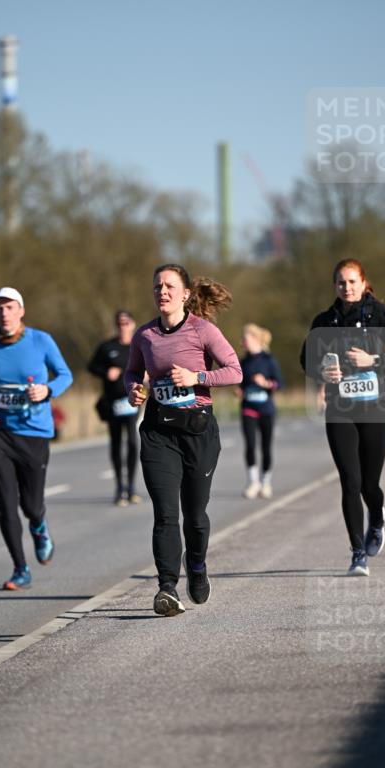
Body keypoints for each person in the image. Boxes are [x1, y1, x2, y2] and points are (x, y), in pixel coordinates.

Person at [125, 264, 242, 616]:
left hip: (198, 431)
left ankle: (197, 565)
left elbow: (236, 370)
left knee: (194, 515)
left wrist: (196, 376)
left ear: (186, 294)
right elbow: (132, 371)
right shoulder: (144, 335)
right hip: (159, 432)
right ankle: (166, 588)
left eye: (169, 286)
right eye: (157, 286)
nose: (162, 291)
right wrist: (132, 388)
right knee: (165, 513)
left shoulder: (202, 330)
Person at [300, 258, 385, 576]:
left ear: (363, 283)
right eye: (341, 282)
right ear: (334, 285)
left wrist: (373, 358)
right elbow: (305, 359)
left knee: (369, 486)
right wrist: (322, 369)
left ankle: (376, 519)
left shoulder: (381, 314)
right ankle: (357, 552)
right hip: (340, 410)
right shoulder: (324, 321)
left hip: (375, 408)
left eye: (352, 281)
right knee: (350, 482)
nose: (346, 287)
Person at [0, 287, 73, 590]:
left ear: (21, 310)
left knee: (31, 505)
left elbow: (65, 374)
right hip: (0, 433)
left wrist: (47, 390)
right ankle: (20, 568)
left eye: (10, 307)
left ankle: (39, 526)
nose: (4, 313)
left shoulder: (41, 340)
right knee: (6, 503)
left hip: (35, 434)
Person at [88, 311, 141, 505]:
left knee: (134, 442)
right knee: (117, 443)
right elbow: (91, 366)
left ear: (133, 324)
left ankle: (132, 487)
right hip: (112, 402)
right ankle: (120, 487)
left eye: (126, 323)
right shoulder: (107, 347)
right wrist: (105, 372)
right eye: (119, 323)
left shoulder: (139, 346)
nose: (123, 326)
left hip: (132, 401)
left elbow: (151, 366)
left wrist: (146, 377)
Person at [238, 323, 283, 499]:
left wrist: (266, 383)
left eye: (245, 338)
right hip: (248, 408)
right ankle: (252, 482)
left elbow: (279, 383)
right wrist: (240, 390)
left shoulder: (269, 360)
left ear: (255, 339)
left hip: (266, 409)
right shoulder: (244, 361)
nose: (242, 342)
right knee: (249, 445)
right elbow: (241, 383)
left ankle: (266, 483)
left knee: (265, 446)